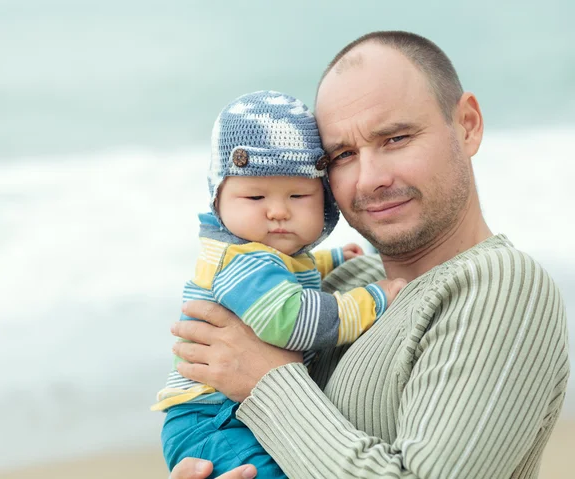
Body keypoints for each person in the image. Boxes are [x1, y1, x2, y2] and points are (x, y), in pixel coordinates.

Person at [168, 31, 569, 479]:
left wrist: (267, 382)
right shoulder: (332, 283)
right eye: (342, 154)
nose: (369, 178)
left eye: (396, 138)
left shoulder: (500, 284)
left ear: (468, 125)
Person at [155, 90, 406, 476]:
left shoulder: (262, 254)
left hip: (231, 409)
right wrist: (371, 299)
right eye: (254, 196)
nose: (277, 211)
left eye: (298, 195)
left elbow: (289, 273)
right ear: (219, 200)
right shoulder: (241, 261)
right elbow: (290, 319)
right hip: (212, 416)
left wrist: (334, 260)